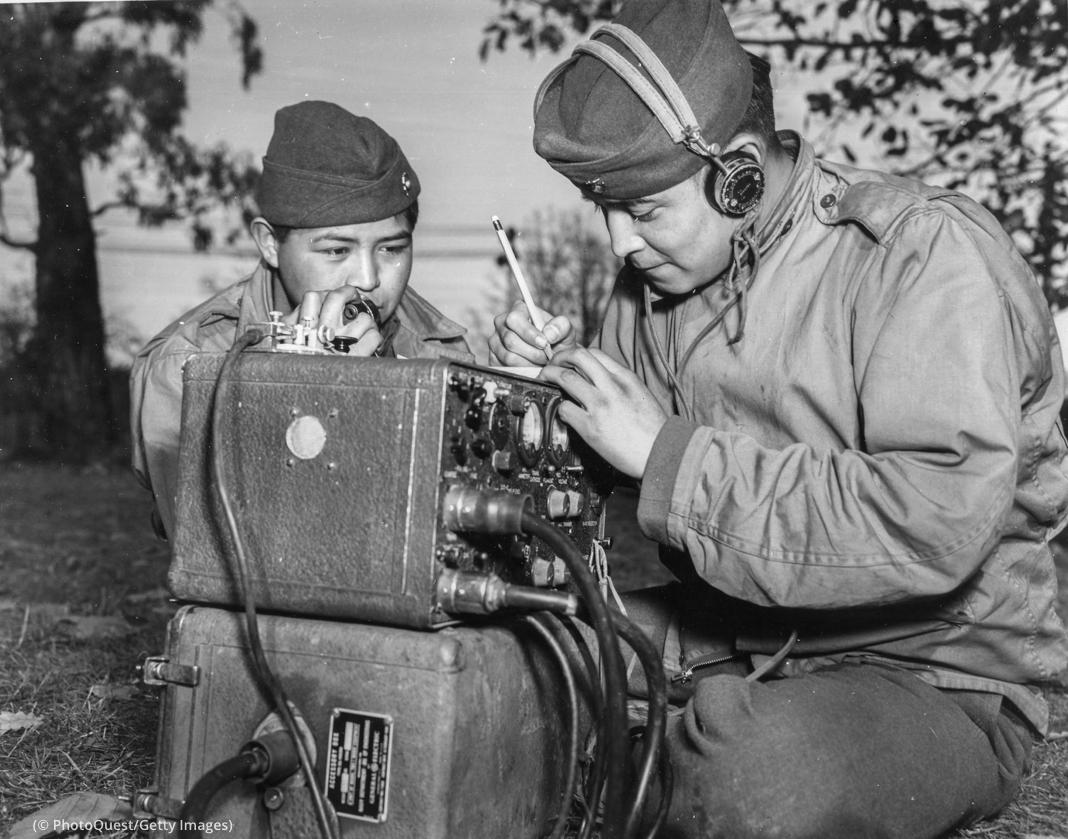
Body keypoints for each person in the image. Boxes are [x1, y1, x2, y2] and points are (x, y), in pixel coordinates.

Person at [490, 1, 1068, 836]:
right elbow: (617, 474)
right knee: (495, 666)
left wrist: (670, 456)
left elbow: (935, 518)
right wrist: (548, 401)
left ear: (740, 173)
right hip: (736, 646)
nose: (619, 244)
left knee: (753, 783)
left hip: (932, 674)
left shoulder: (918, 256)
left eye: (644, 211)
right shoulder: (655, 285)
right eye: (601, 209)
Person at [131, 101, 472, 539]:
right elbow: (206, 550)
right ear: (270, 245)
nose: (367, 280)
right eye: (336, 251)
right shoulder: (187, 366)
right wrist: (277, 396)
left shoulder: (438, 349)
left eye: (392, 249)